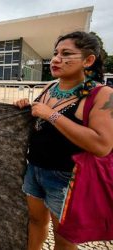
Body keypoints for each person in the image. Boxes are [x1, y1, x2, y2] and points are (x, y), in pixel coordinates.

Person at [14, 31, 113, 249]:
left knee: (64, 236)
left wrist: (50, 114)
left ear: (88, 60)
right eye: (55, 53)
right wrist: (26, 107)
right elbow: (40, 121)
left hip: (68, 178)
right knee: (36, 220)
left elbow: (102, 145)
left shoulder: (102, 94)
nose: (56, 59)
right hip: (35, 169)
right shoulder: (50, 86)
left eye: (66, 53)